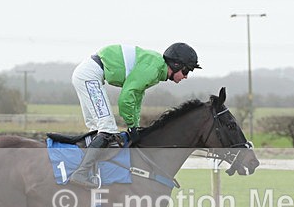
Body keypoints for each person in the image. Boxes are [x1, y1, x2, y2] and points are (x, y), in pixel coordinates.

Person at [68, 42, 201, 188]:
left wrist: (135, 126)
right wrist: (131, 126)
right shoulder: (153, 68)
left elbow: (136, 98)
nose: (186, 77)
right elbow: (126, 98)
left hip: (88, 75)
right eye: (186, 71)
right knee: (107, 129)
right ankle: (80, 173)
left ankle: (92, 171)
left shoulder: (155, 68)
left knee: (97, 129)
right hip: (90, 76)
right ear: (176, 65)